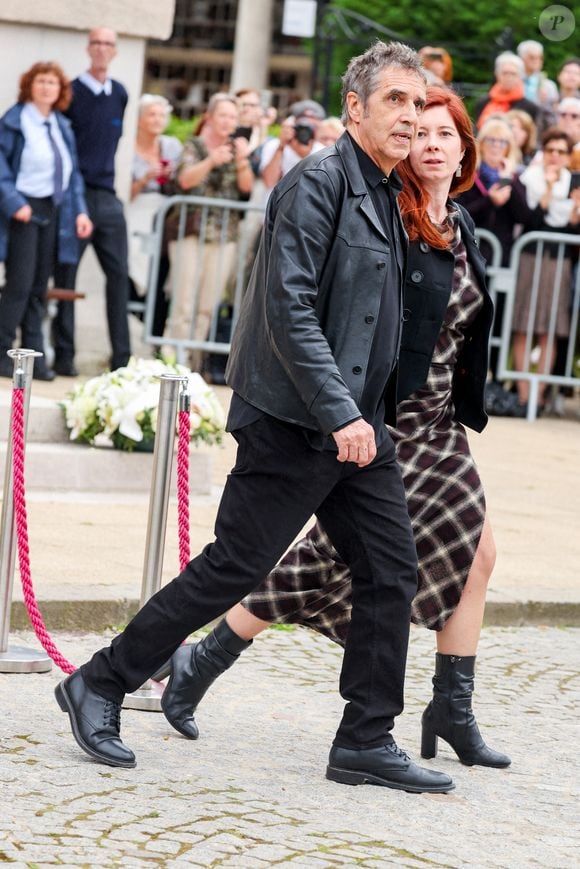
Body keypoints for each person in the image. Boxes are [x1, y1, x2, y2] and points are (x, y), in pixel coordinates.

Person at [54, 41, 456, 795]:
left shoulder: (384, 190)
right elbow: (289, 307)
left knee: (390, 570)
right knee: (235, 565)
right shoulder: (319, 181)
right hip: (297, 420)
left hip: (358, 429)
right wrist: (341, 411)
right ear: (355, 108)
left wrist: (375, 413)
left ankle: (366, 737)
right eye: (395, 100)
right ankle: (100, 681)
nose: (410, 114)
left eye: (417, 100)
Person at [148, 86, 512, 772]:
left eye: (446, 134)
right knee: (329, 558)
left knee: (479, 554)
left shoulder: (461, 226)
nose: (432, 143)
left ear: (465, 149)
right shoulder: (391, 216)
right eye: (421, 131)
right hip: (386, 420)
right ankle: (202, 657)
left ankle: (451, 709)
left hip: (439, 423)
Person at [0, 62, 92, 380]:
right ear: (30, 85)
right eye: (41, 81)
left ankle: (34, 360)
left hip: (54, 211)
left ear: (60, 90)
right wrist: (14, 202)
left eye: (52, 82)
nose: (46, 87)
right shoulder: (14, 120)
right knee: (19, 285)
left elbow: (73, 175)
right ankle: (2, 353)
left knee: (40, 288)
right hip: (23, 210)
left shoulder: (60, 125)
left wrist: (80, 211)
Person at [52, 27, 132, 376]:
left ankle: (122, 362)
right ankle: (64, 357)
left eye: (108, 44)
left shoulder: (120, 93)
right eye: (97, 43)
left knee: (119, 278)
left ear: (115, 52)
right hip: (76, 196)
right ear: (88, 48)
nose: (102, 49)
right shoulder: (70, 92)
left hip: (109, 198)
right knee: (66, 277)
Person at [163, 93, 254, 370]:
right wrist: (212, 160)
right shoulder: (194, 146)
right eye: (223, 115)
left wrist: (241, 160)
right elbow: (184, 180)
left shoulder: (238, 149)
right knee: (183, 301)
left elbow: (246, 189)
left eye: (232, 117)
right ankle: (170, 359)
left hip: (225, 235)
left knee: (206, 305)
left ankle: (190, 363)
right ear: (211, 118)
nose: (228, 121)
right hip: (190, 231)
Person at [512, 127, 580, 410]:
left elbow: (572, 229)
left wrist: (575, 210)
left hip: (560, 262)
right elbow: (529, 220)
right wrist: (549, 190)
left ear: (567, 156)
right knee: (523, 325)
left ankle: (539, 396)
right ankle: (524, 394)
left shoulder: (574, 182)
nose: (555, 156)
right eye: (550, 150)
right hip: (529, 258)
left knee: (549, 329)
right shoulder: (530, 179)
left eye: (561, 152)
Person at [127, 94, 182, 337]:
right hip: (135, 214)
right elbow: (124, 191)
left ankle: (155, 333)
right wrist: (146, 177)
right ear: (139, 120)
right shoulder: (128, 147)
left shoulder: (172, 146)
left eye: (161, 115)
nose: (157, 120)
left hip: (164, 219)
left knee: (161, 276)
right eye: (151, 114)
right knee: (132, 269)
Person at [475, 52, 539, 130]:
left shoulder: (530, 108)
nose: (508, 77)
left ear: (520, 76)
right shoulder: (483, 102)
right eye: (505, 73)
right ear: (497, 75)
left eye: (513, 74)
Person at [516, 40, 558, 106]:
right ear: (521, 58)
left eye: (539, 57)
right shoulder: (513, 81)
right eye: (531, 57)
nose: (536, 60)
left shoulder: (549, 85)